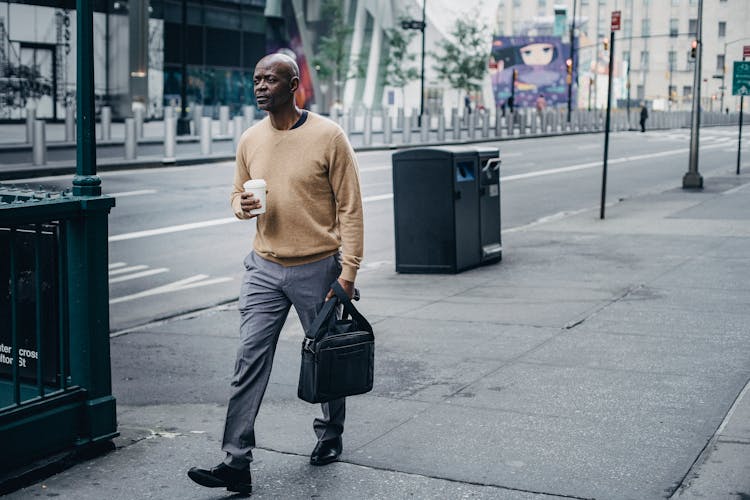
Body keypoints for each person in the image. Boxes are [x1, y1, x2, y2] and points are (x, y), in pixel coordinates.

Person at [187, 53, 364, 496]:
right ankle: (235, 462)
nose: (260, 85)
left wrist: (347, 273)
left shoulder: (329, 137)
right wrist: (239, 207)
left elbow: (351, 209)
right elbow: (236, 193)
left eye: (271, 78)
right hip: (264, 267)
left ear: (294, 83)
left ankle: (330, 435)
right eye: (256, 79)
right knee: (248, 360)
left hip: (318, 267)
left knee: (327, 358)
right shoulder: (250, 139)